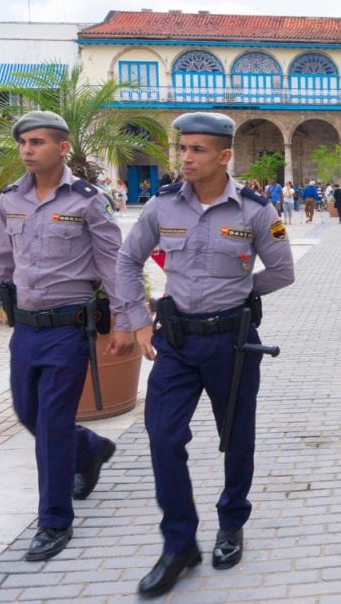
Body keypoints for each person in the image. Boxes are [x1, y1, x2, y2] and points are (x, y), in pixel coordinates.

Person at [115, 112, 295, 596]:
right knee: (162, 435)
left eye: (197, 149)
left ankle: (231, 521)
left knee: (236, 436)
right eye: (183, 148)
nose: (186, 157)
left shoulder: (257, 211)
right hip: (175, 340)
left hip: (232, 343)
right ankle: (179, 542)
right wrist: (134, 319)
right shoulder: (162, 206)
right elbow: (128, 260)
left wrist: (236, 292)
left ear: (223, 155)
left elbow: (281, 271)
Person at [0, 111, 135, 562]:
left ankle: (53, 521)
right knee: (28, 412)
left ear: (62, 148)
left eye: (37, 142)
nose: (27, 149)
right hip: (25, 328)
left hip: (68, 327)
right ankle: (90, 449)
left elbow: (111, 263)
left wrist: (124, 321)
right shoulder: (9, 200)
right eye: (23, 142)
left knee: (50, 425)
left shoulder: (88, 200)